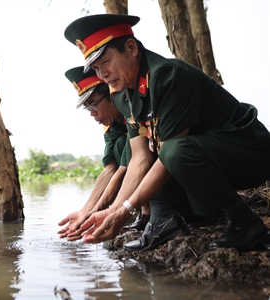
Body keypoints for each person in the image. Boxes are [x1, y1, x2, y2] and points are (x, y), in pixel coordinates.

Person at [63, 14, 270, 252]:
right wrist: (113, 212)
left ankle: (245, 220)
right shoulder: (123, 94)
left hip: (249, 157)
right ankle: (164, 220)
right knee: (152, 151)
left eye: (106, 62)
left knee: (172, 150)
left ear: (131, 47)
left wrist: (124, 211)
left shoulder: (168, 75)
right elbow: (139, 159)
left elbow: (170, 154)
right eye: (97, 69)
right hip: (205, 164)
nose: (103, 76)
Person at [58, 66, 150, 241]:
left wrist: (104, 211)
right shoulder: (111, 127)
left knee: (127, 145)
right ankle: (141, 213)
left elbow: (126, 168)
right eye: (87, 108)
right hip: (133, 173)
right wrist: (86, 211)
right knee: (119, 147)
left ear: (111, 94)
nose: (92, 113)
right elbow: (109, 169)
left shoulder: (131, 111)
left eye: (94, 104)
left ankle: (148, 213)